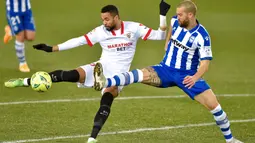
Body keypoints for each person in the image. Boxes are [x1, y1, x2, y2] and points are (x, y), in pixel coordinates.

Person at [4, 1, 171, 143]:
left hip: (119, 75)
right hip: (101, 67)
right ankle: (25, 82)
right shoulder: (100, 32)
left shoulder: (133, 28)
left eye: (107, 19)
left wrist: (162, 15)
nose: (104, 22)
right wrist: (52, 48)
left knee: (107, 98)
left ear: (116, 17)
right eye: (102, 19)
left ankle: (92, 138)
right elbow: (79, 41)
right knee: (70, 75)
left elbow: (160, 35)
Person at [93, 1, 243, 143]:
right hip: (164, 69)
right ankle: (105, 81)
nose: (177, 17)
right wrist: (167, 42)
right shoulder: (175, 22)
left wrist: (195, 77)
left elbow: (205, 64)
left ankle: (230, 140)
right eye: (176, 14)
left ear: (190, 15)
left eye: (180, 15)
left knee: (215, 107)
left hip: (187, 76)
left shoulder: (202, 36)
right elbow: (171, 29)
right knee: (136, 75)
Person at [4, 0, 36, 72]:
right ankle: (22, 63)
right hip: (13, 11)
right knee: (20, 36)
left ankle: (11, 31)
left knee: (30, 37)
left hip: (26, 9)